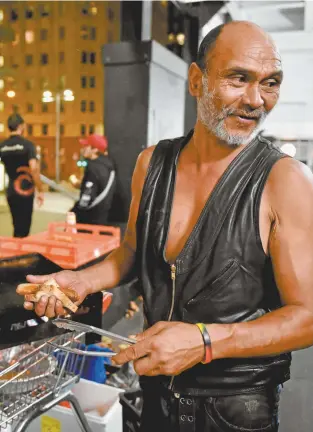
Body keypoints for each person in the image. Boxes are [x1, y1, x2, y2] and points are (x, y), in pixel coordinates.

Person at [20, 21, 313, 431]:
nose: (255, 100)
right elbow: (132, 253)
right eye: (238, 78)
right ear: (197, 80)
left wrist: (205, 341)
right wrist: (81, 281)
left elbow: (308, 316)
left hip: (235, 411)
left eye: (270, 83)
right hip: (156, 392)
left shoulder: (285, 180)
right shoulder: (151, 163)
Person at [0, 113, 44, 237]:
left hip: (11, 191)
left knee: (16, 225)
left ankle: (16, 250)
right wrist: (40, 189)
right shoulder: (28, 145)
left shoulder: (2, 146)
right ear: (21, 126)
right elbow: (34, 169)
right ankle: (19, 253)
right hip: (25, 190)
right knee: (24, 227)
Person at [69, 134, 116, 226]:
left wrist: (74, 212)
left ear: (95, 149)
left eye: (86, 146)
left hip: (90, 221)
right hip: (102, 218)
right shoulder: (108, 166)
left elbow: (86, 199)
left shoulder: (93, 168)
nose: (83, 149)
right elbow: (98, 186)